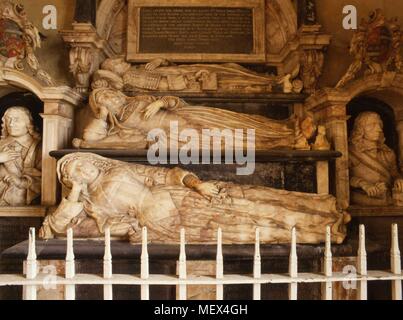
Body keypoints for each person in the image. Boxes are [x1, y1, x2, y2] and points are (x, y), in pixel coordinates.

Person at [40, 153, 349, 244]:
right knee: (245, 230)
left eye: (80, 162)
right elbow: (58, 226)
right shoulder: (87, 202)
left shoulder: (119, 171)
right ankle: (321, 234)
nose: (80, 168)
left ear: (92, 160)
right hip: (163, 223)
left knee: (254, 199)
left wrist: (197, 184)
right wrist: (76, 192)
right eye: (71, 171)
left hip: (177, 194)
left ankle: (323, 211)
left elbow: (162, 174)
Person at [73, 88, 312, 150]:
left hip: (187, 116)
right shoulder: (120, 125)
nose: (110, 98)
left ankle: (286, 129)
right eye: (103, 99)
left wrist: (159, 102)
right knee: (236, 142)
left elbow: (175, 101)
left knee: (240, 122)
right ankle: (289, 142)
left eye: (109, 94)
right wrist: (102, 117)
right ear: (102, 107)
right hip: (180, 138)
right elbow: (91, 139)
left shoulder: (139, 98)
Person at [349, 112, 403, 206]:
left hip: (387, 193)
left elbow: (394, 173)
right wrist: (363, 184)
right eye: (372, 125)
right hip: (361, 195)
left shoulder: (388, 153)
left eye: (379, 125)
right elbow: (343, 178)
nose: (378, 129)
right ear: (360, 128)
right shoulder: (350, 152)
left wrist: (398, 179)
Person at [0, 107, 41, 206]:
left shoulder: (38, 147)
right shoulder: (1, 144)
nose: (11, 124)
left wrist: (20, 182)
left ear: (28, 123)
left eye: (16, 120)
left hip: (22, 200)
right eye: (8, 120)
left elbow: (46, 179)